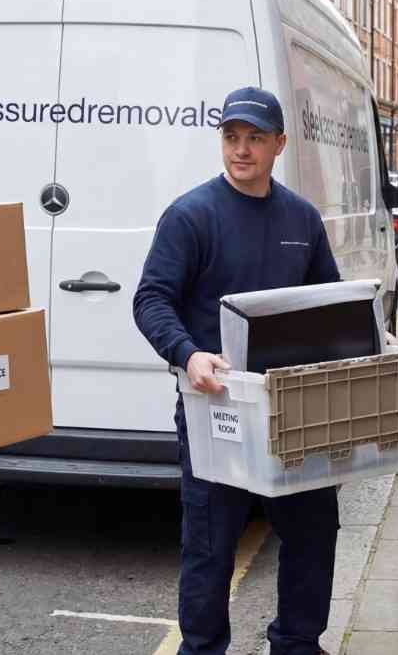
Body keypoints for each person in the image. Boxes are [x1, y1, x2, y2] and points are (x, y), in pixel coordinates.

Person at [133, 86, 340, 655]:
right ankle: (201, 649)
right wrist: (186, 353)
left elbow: (328, 300)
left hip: (291, 407)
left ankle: (297, 643)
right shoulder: (191, 216)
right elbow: (151, 299)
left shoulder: (301, 217)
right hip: (217, 405)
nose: (241, 150)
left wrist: (369, 335)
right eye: (231, 137)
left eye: (254, 139)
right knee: (210, 543)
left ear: (279, 144)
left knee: (313, 530)